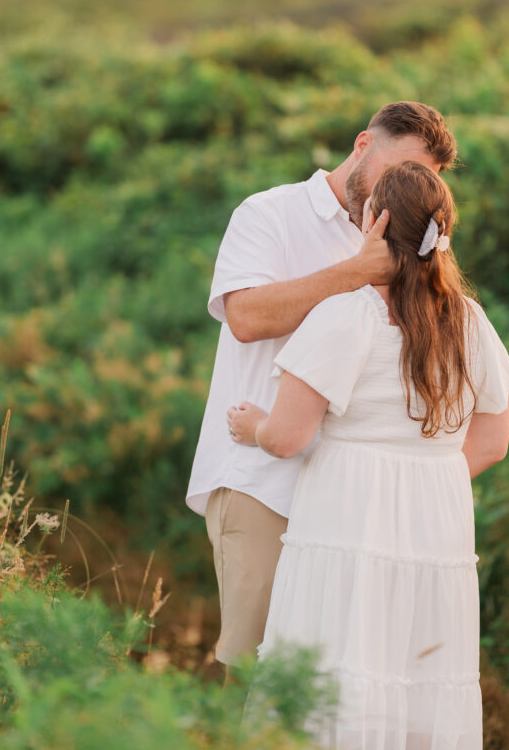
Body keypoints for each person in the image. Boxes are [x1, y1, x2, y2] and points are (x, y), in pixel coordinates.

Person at [227, 161, 509, 750]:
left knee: (325, 685)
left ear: (373, 225)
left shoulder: (345, 315)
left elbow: (291, 435)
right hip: (434, 528)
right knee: (409, 685)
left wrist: (252, 426)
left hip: (345, 522)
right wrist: (424, 478)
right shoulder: (469, 320)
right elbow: (492, 441)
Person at [186, 102, 458, 675]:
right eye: (399, 169)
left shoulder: (410, 235)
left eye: (423, 180)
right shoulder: (269, 213)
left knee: (337, 676)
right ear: (362, 145)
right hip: (264, 482)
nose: (404, 188)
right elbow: (246, 318)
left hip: (354, 503)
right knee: (256, 666)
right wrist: (356, 272)